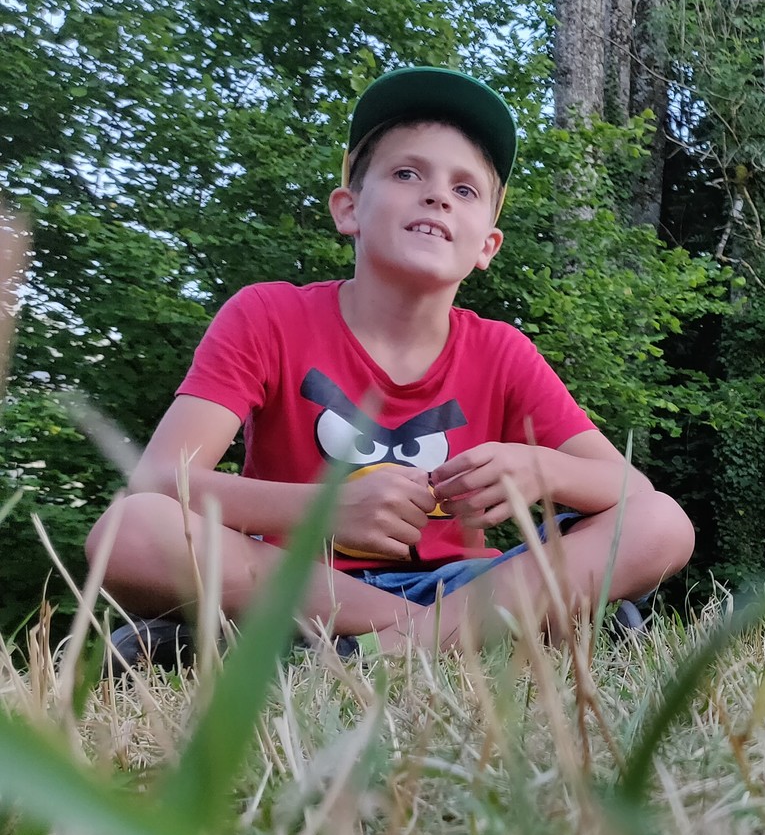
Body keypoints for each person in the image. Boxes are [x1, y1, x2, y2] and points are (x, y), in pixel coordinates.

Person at [87, 66, 693, 660]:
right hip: (303, 585)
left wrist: (540, 468)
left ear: (487, 245)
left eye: (465, 190)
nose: (437, 195)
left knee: (661, 523)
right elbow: (160, 480)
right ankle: (471, 638)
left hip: (466, 585)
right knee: (129, 529)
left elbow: (630, 491)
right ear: (348, 209)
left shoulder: (501, 351)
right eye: (407, 173)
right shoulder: (267, 315)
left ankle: (364, 651)